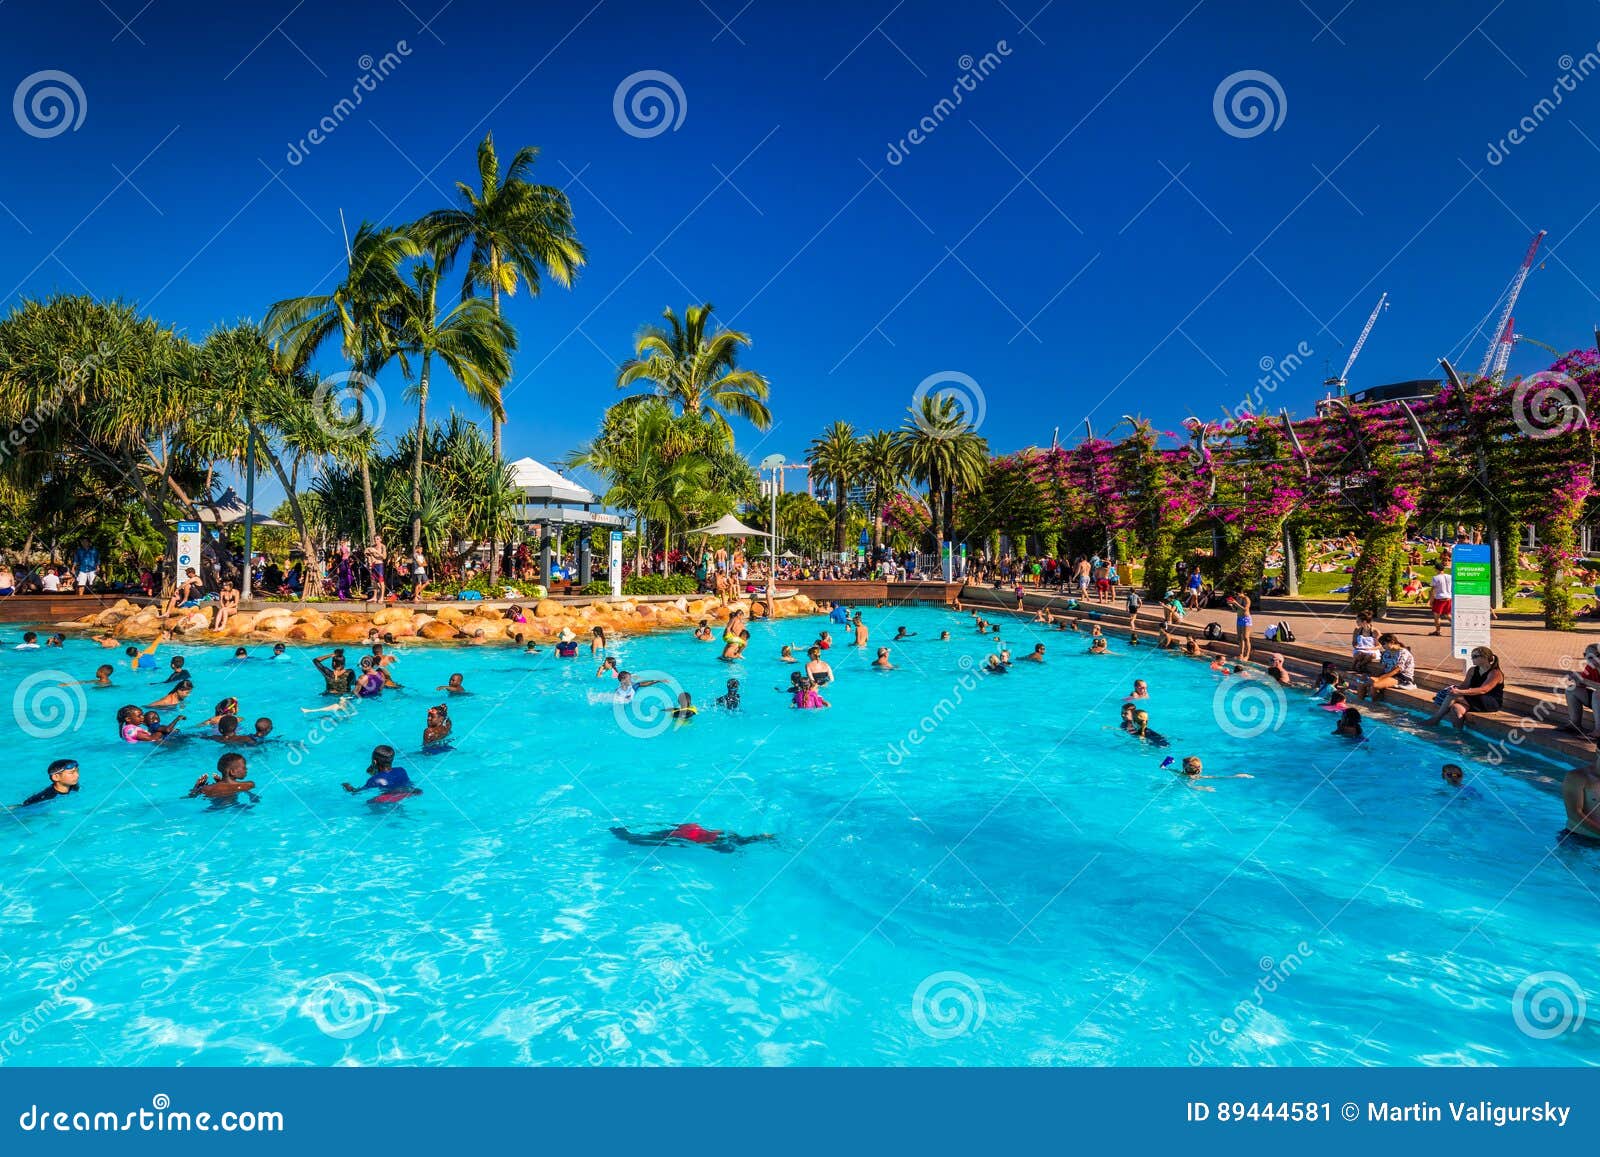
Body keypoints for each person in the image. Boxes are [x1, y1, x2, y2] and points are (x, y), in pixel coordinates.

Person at [1426, 646, 1505, 728]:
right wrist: (1454, 688)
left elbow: (1483, 690)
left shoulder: (1495, 673)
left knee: (1455, 695)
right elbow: (1465, 685)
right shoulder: (1472, 670)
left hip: (1490, 702)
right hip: (1475, 698)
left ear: (1484, 657)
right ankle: (1457, 735)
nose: (1472, 658)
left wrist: (1458, 692)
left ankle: (1435, 719)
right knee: (1455, 708)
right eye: (1471, 656)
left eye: (1475, 656)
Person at [610, 823, 775, 853]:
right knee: (641, 840)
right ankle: (623, 834)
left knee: (648, 839)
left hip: (690, 830)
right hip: (690, 834)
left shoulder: (725, 836)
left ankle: (623, 834)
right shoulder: (726, 839)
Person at [343, 745, 422, 801]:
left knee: (369, 802)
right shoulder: (401, 770)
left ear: (374, 762)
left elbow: (357, 792)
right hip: (410, 792)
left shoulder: (375, 780)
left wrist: (348, 787)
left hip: (389, 797)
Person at [1354, 635, 1415, 701]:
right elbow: (1384, 668)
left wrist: (1379, 678)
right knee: (1361, 683)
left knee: (1374, 686)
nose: (1382, 646)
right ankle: (1361, 705)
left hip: (1401, 677)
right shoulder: (1387, 652)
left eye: (1383, 644)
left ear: (1392, 642)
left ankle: (1374, 704)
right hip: (1388, 675)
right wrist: (1374, 675)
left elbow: (1396, 671)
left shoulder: (1403, 653)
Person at [1564, 643, 1600, 740]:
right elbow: (1583, 684)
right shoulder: (1590, 667)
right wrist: (1575, 679)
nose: (1589, 659)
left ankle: (1598, 731)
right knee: (1571, 690)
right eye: (1586, 655)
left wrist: (1583, 680)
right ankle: (1575, 725)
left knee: (1597, 694)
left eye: (1593, 656)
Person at [187, 752, 257, 802]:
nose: (246, 769)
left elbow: (191, 797)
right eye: (244, 768)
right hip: (233, 809)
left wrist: (196, 787)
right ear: (232, 772)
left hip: (212, 810)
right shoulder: (247, 785)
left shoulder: (206, 788)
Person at [1164, 755, 1252, 791]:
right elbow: (1220, 777)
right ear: (1200, 768)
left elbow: (1165, 768)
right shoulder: (1195, 777)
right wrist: (1202, 788)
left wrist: (1166, 763)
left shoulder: (1181, 773)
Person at [16, 759, 80, 807]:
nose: (77, 775)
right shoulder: (47, 796)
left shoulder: (74, 786)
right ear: (56, 777)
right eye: (71, 773)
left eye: (77, 771)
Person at [1227, 592, 1252, 663]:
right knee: (1239, 637)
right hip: (1239, 619)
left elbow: (1245, 609)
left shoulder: (1246, 599)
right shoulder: (1238, 599)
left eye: (1238, 594)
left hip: (1246, 619)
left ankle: (1247, 656)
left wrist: (1235, 603)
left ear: (1242, 593)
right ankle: (1241, 654)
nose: (1237, 595)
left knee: (1246, 637)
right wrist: (1232, 605)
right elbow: (1236, 610)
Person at [1428, 565, 1453, 636]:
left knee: (1437, 615)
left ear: (1437, 569)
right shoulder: (1450, 576)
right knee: (1448, 615)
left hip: (1440, 598)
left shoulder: (1435, 578)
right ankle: (1457, 629)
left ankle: (1438, 631)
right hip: (1448, 597)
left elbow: (1433, 590)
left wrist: (1431, 600)